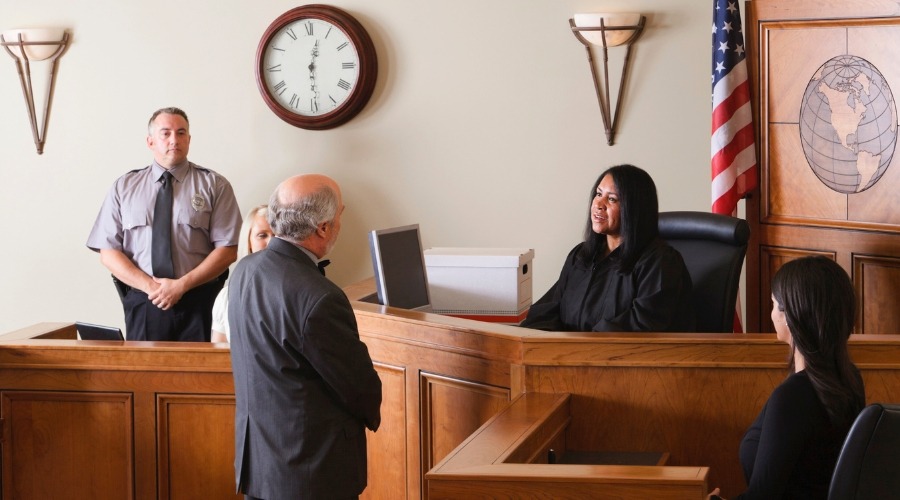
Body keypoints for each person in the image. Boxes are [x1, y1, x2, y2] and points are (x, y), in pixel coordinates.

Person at [229, 174, 382, 500]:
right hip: (310, 474)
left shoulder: (244, 270)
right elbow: (358, 387)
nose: (342, 218)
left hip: (259, 466)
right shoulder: (320, 297)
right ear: (323, 228)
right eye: (341, 212)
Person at [707, 256, 866, 500]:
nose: (771, 314)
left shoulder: (793, 398)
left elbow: (763, 495)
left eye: (773, 305)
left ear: (792, 315)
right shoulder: (851, 379)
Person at [87, 107, 242, 342]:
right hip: (144, 302)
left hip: (199, 301)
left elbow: (228, 250)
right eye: (165, 133)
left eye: (181, 133)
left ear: (189, 140)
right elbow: (108, 253)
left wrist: (181, 286)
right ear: (150, 141)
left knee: (201, 377)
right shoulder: (124, 187)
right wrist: (152, 287)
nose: (174, 140)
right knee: (144, 377)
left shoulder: (214, 185)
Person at [520, 164, 694, 332]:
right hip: (572, 356)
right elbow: (548, 310)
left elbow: (642, 326)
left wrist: (578, 348)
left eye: (611, 199)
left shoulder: (660, 262)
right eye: (598, 194)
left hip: (624, 359)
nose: (599, 204)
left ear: (634, 209)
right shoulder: (581, 256)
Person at [211, 204, 273, 343]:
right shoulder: (226, 298)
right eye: (262, 235)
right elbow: (218, 356)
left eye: (277, 235)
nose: (272, 242)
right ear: (249, 241)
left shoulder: (299, 293)